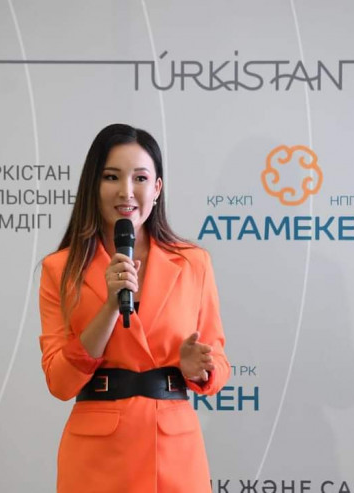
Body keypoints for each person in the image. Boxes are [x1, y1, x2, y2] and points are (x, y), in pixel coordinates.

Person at [38, 123, 230, 492]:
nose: (126, 191)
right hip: (96, 458)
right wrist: (111, 304)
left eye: (140, 178)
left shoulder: (193, 263)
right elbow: (60, 382)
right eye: (111, 177)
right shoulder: (60, 269)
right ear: (94, 186)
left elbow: (219, 363)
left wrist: (200, 369)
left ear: (156, 188)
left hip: (174, 452)